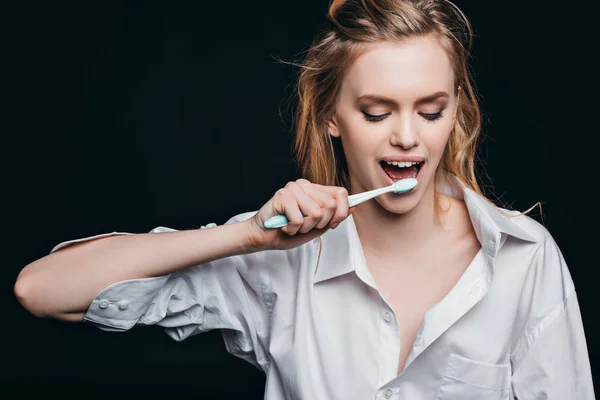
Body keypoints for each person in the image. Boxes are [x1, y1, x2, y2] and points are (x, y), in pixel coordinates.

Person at [14, 0, 595, 398]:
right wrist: (245, 237)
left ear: (456, 114)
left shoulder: (524, 258)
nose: (407, 136)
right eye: (376, 111)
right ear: (330, 118)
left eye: (431, 110)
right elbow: (41, 291)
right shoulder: (278, 254)